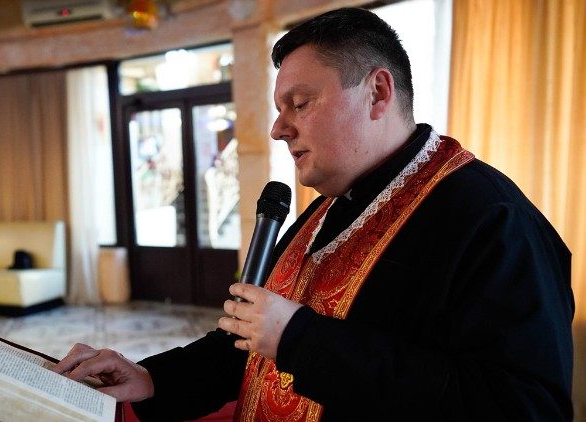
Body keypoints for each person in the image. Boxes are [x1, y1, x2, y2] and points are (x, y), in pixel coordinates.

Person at [53, 7, 574, 421]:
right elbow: (246, 344)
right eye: (280, 109)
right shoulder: (324, 208)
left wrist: (302, 340)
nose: (278, 130)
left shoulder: (491, 219)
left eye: (299, 104)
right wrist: (152, 379)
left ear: (377, 93)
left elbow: (524, 407)